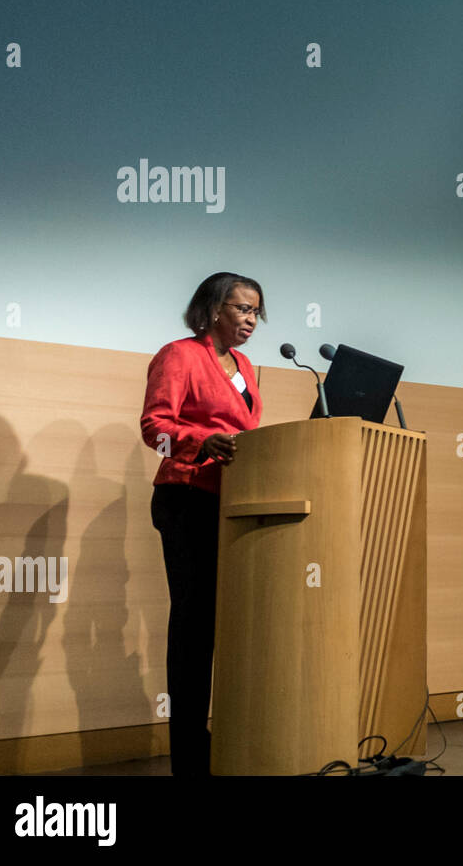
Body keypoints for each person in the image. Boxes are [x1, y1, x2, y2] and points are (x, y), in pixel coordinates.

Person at [140, 272, 266, 775]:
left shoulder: (246, 367)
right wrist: (199, 444)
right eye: (242, 310)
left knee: (222, 629)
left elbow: (247, 432)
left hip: (231, 505)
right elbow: (155, 430)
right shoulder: (179, 355)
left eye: (257, 312)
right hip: (186, 498)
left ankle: (219, 740)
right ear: (213, 309)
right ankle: (189, 756)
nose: (251, 321)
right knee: (193, 630)